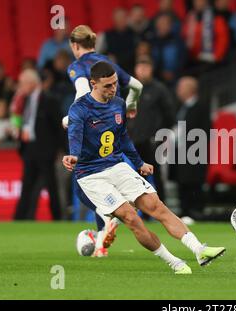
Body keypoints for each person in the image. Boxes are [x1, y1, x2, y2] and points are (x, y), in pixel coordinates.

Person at [62, 61, 225, 273]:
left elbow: (123, 139)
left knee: (157, 207)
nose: (113, 89)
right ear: (93, 84)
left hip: (116, 166)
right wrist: (73, 156)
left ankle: (199, 250)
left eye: (114, 84)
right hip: (92, 175)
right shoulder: (79, 109)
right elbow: (74, 138)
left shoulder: (118, 103)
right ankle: (174, 262)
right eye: (107, 86)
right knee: (131, 217)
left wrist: (139, 164)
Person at [63, 25, 144, 255]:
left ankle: (109, 215)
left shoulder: (77, 67)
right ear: (94, 44)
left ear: (74, 45)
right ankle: (101, 244)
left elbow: (81, 94)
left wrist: (70, 118)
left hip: (91, 127)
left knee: (83, 183)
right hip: (115, 124)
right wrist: (131, 105)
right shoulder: (108, 64)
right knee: (113, 173)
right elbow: (136, 85)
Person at [13, 69, 64, 220]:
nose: (20, 87)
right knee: (26, 187)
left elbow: (58, 127)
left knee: (52, 187)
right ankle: (19, 219)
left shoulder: (49, 100)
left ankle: (57, 218)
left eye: (22, 83)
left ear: (32, 83)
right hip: (29, 149)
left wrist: (62, 150)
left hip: (46, 151)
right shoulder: (24, 100)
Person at [127, 55, 176, 202]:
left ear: (151, 69)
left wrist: (161, 135)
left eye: (146, 67)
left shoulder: (159, 90)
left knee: (155, 175)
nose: (142, 71)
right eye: (140, 67)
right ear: (136, 70)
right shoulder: (130, 89)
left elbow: (170, 115)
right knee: (135, 177)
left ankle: (161, 207)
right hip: (133, 140)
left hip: (152, 141)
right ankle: (143, 211)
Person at [173, 76, 210, 221]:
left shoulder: (201, 107)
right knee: (181, 182)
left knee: (194, 182)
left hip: (194, 152)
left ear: (190, 90)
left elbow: (205, 131)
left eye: (181, 87)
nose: (178, 90)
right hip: (180, 151)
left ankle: (196, 211)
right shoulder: (180, 107)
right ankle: (184, 211)